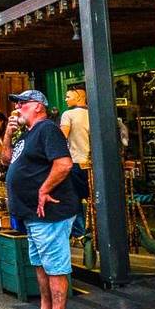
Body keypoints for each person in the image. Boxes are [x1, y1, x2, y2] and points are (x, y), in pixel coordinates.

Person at [2, 90, 77, 309]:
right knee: (41, 264)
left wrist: (44, 189)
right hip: (32, 214)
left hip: (51, 212)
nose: (18, 108)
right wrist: (8, 135)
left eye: (23, 104)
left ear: (38, 106)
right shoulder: (27, 135)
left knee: (55, 266)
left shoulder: (47, 130)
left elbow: (64, 163)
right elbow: (6, 161)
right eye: (17, 104)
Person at [60, 88, 91, 241]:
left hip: (76, 162)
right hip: (92, 164)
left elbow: (61, 137)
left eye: (68, 96)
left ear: (79, 97)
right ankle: (97, 230)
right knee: (94, 198)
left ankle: (80, 233)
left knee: (74, 198)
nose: (65, 99)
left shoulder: (68, 114)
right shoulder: (93, 113)